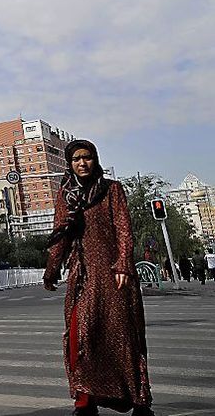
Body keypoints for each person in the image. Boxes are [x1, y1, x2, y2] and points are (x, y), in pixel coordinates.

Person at [44, 139, 153, 416]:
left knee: (124, 337)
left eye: (87, 157)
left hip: (115, 277)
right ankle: (84, 402)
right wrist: (52, 268)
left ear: (95, 160)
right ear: (69, 164)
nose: (82, 163)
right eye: (76, 159)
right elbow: (61, 234)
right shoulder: (65, 194)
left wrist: (123, 265)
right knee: (80, 337)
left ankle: (139, 400)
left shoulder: (111, 190)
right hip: (82, 276)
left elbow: (123, 229)